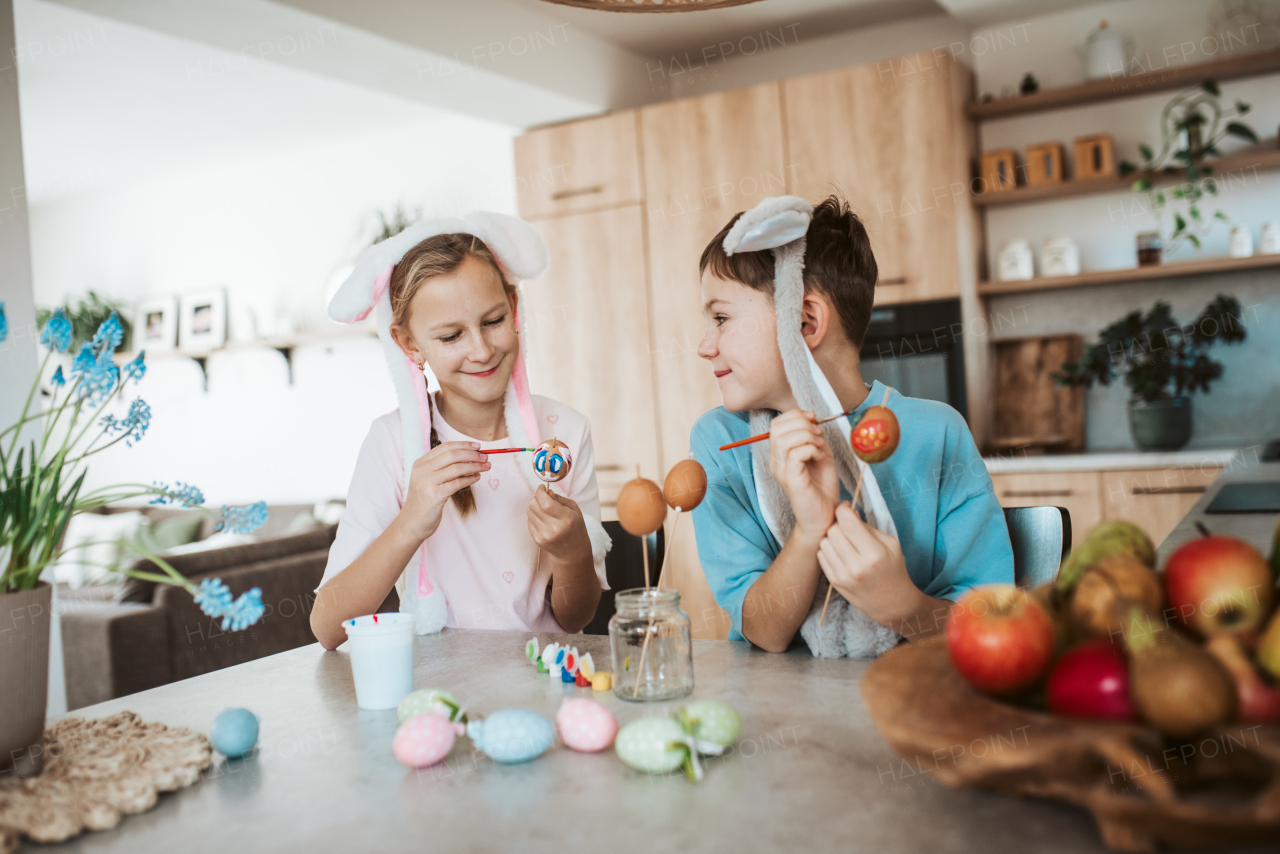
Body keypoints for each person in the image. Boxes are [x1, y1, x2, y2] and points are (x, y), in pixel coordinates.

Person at [688, 194, 1013, 658]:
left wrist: (903, 606)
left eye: (721, 318)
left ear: (804, 321)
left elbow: (992, 626)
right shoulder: (721, 442)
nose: (705, 346)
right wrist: (808, 530)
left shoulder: (938, 434)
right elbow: (765, 632)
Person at [310, 212, 610, 650]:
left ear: (513, 308)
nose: (482, 350)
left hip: (546, 681)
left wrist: (574, 552)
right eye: (451, 336)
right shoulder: (391, 444)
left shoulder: (565, 431)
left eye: (492, 321)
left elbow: (575, 617)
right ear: (410, 345)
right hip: (438, 696)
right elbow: (328, 627)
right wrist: (411, 520)